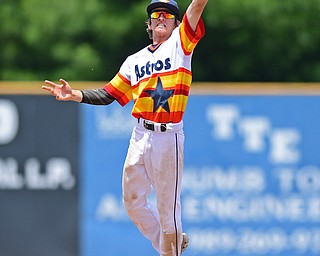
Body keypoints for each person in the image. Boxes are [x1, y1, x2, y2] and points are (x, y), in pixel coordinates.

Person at [42, 0, 208, 255]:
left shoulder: (181, 45)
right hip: (140, 133)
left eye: (168, 14)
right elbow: (109, 93)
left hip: (168, 136)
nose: (161, 17)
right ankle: (170, 245)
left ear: (177, 23)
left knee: (168, 210)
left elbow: (196, 7)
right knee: (132, 202)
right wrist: (74, 94)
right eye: (156, 14)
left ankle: (170, 249)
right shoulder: (134, 60)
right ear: (149, 24)